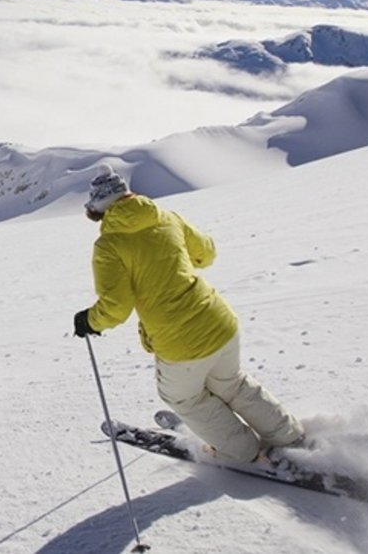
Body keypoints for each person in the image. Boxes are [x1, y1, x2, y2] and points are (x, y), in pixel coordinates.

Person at [73, 164, 303, 463]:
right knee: (231, 383)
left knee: (185, 397)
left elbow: (116, 307)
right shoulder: (166, 217)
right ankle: (289, 435)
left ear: (101, 209)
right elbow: (206, 253)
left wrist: (89, 320)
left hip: (179, 341)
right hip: (219, 320)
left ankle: (243, 451)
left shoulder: (110, 244)